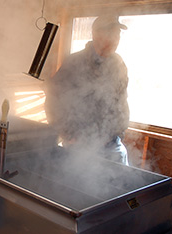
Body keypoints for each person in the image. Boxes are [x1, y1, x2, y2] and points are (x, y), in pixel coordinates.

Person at [44, 14, 130, 165]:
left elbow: (122, 100)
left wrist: (120, 130)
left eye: (118, 34)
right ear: (96, 34)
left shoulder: (118, 64)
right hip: (80, 142)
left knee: (122, 185)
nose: (117, 39)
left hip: (112, 144)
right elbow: (53, 98)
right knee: (82, 185)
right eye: (112, 33)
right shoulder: (74, 63)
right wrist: (66, 133)